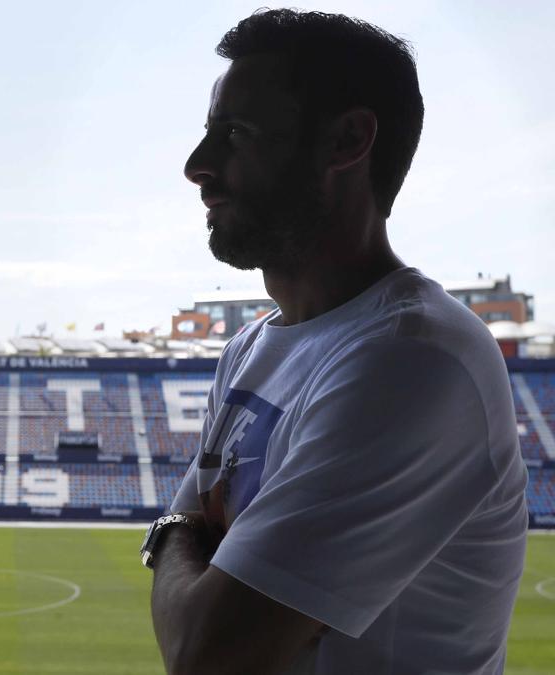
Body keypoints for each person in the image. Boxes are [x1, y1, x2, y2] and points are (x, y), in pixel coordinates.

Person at [143, 9, 528, 674]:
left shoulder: (413, 359)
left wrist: (179, 530)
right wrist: (190, 545)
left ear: (347, 140)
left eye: (235, 134)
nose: (197, 167)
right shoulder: (254, 345)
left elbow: (207, 654)